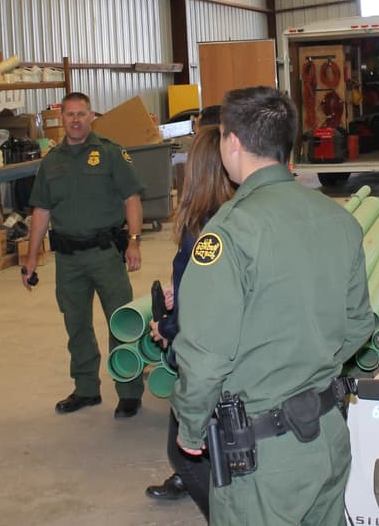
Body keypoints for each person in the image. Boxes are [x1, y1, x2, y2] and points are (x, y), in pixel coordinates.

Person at [171, 87, 375, 525]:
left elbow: (206, 356)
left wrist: (189, 425)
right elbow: (359, 325)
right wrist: (307, 362)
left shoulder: (230, 233)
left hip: (264, 456)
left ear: (232, 143)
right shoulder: (338, 219)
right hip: (328, 434)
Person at [21, 91, 145, 419]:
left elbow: (131, 198)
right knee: (76, 325)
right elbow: (41, 211)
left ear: (92, 116)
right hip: (68, 259)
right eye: (69, 114)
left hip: (105, 253)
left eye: (81, 114)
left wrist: (134, 241)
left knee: (122, 323)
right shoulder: (51, 162)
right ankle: (86, 389)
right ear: (61, 119)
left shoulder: (110, 153)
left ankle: (130, 392)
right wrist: (31, 255)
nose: (75, 120)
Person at [145, 117, 232, 517]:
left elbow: (206, 311)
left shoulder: (203, 227)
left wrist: (166, 327)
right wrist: (178, 293)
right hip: (233, 356)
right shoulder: (233, 217)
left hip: (205, 357)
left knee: (183, 449)